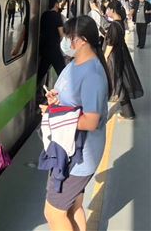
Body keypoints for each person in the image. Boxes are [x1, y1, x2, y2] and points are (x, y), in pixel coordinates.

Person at [42, 16, 109, 231]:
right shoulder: (75, 65)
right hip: (70, 149)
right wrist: (56, 101)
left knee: (53, 212)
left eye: (69, 37)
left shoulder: (93, 74)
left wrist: (56, 116)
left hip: (79, 157)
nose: (66, 41)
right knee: (73, 207)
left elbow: (91, 121)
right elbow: (71, 100)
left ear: (81, 40)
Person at [104, 0, 144, 119]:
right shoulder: (120, 23)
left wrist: (103, 59)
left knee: (116, 83)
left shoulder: (113, 26)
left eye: (108, 9)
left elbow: (110, 46)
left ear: (113, 10)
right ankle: (128, 112)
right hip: (121, 55)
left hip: (113, 58)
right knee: (119, 83)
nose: (107, 11)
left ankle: (127, 113)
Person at [38, 0, 67, 96]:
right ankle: (65, 95)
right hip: (54, 50)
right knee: (63, 73)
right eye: (61, 2)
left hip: (44, 49)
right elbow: (61, 34)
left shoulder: (44, 14)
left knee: (40, 74)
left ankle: (36, 94)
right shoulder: (57, 16)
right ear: (56, 3)